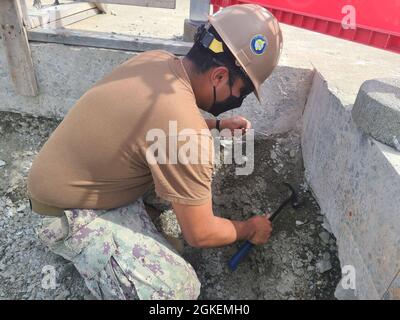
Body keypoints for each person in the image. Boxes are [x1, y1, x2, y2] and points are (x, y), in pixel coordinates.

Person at [27, 4, 283, 300]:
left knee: (174, 170)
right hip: (65, 212)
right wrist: (249, 229)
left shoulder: (158, 62)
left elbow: (156, 121)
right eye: (243, 90)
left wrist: (216, 124)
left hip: (59, 176)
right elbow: (200, 233)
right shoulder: (186, 134)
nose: (239, 99)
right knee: (180, 290)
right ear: (219, 76)